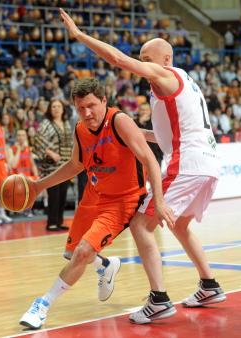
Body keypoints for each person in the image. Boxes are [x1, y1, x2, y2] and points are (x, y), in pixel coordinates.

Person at [60, 8, 225, 324]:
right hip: (205, 162)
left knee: (140, 224)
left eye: (148, 57)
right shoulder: (183, 83)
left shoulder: (166, 75)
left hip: (186, 163)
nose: (143, 62)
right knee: (178, 224)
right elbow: (165, 135)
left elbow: (119, 61)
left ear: (165, 59)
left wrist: (80, 36)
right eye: (141, 57)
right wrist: (135, 132)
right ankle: (209, 285)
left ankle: (159, 299)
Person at [20, 78, 173, 330]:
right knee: (72, 253)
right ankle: (106, 265)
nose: (87, 113)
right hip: (94, 194)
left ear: (104, 101)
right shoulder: (80, 129)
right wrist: (39, 185)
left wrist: (158, 200)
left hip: (121, 201)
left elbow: (150, 161)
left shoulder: (119, 121)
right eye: (81, 108)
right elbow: (75, 165)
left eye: (91, 106)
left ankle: (42, 305)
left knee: (82, 252)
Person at [33, 99, 73, 231]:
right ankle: (51, 222)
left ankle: (59, 221)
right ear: (50, 109)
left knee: (62, 194)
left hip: (66, 164)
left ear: (63, 109)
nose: (56, 109)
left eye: (58, 106)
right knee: (54, 195)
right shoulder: (46, 123)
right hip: (51, 166)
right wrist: (51, 153)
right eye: (53, 106)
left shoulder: (66, 123)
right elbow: (38, 142)